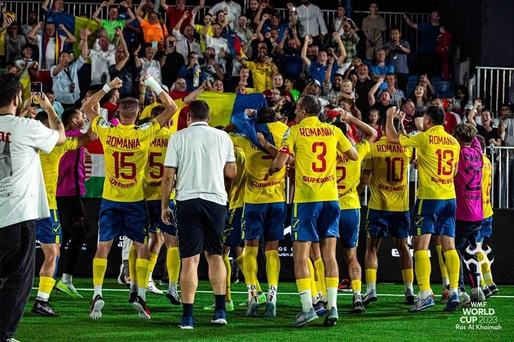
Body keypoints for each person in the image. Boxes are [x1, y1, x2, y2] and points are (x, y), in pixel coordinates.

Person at [82, 76, 177, 320]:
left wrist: (108, 87)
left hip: (110, 198)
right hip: (135, 199)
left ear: (120, 112)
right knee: (142, 246)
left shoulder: (107, 129)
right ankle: (142, 295)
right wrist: (154, 83)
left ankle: (97, 294)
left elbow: (87, 108)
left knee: (103, 247)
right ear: (137, 113)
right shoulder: (144, 132)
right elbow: (172, 108)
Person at [269, 95, 358, 326]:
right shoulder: (333, 131)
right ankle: (333, 307)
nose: (295, 112)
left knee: (301, 255)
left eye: (297, 109)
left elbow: (278, 163)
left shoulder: (295, 131)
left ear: (302, 110)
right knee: (329, 255)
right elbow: (354, 155)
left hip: (307, 200)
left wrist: (275, 167)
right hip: (331, 198)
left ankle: (308, 308)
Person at [0, 74, 65, 342]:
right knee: (17, 280)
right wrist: (48, 107)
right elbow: (60, 137)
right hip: (18, 214)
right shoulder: (26, 127)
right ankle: (3, 334)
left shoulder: (22, 125)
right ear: (17, 98)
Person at [160, 100, 237, 329]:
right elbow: (232, 171)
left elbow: (168, 176)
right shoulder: (223, 138)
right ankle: (220, 311)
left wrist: (165, 205)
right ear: (209, 117)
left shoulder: (178, 137)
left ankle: (187, 317)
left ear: (188, 117)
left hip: (187, 201)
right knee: (215, 255)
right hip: (215, 200)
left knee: (190, 259)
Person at [386, 105, 461, 312]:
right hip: (450, 198)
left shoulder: (425, 137)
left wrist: (390, 118)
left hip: (429, 199)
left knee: (420, 246)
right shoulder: (454, 142)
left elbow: (394, 139)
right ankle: (454, 290)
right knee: (450, 247)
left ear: (427, 121)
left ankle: (425, 293)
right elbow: (453, 171)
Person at [32, 109, 95, 316]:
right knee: (53, 252)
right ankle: (41, 300)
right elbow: (88, 137)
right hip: (46, 207)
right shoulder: (56, 145)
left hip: (20, 205)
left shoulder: (22, 144)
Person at [233, 108, 288, 318]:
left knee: (250, 248)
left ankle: (253, 294)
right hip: (277, 199)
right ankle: (272, 295)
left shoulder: (248, 135)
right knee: (272, 250)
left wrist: (246, 118)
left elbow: (233, 123)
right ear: (275, 118)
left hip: (254, 200)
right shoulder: (285, 131)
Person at [361, 114, 415, 306]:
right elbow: (406, 142)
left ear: (383, 128)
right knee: (403, 247)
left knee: (371, 248)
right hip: (401, 207)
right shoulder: (406, 149)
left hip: (378, 206)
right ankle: (409, 289)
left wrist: (357, 190)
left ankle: (371, 290)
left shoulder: (373, 150)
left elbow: (365, 179)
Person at [333, 111, 377, 313]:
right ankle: (357, 296)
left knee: (327, 254)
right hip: (351, 205)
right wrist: (352, 119)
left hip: (330, 205)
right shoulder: (356, 151)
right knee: (351, 254)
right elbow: (372, 133)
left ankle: (326, 297)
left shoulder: (325, 153)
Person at [55, 108, 93, 299]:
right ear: (71, 122)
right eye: (79, 116)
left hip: (61, 193)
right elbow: (93, 135)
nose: (82, 118)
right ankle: (66, 280)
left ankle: (55, 276)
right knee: (81, 233)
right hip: (71, 193)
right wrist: (92, 111)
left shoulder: (63, 138)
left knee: (66, 235)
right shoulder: (75, 135)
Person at [452, 123, 484, 304]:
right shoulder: (478, 153)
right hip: (477, 213)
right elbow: (476, 138)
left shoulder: (459, 154)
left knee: (454, 251)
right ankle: (477, 289)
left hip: (462, 213)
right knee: (471, 251)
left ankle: (460, 290)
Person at [475, 135, 498, 298]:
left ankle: (484, 285)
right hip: (487, 210)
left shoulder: (478, 163)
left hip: (478, 211)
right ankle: (489, 282)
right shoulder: (488, 161)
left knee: (474, 249)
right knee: (478, 248)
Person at [404, 11, 440, 76]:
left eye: (434, 15)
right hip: (423, 54)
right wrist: (405, 17)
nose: (431, 16)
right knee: (421, 74)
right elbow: (412, 24)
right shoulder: (425, 26)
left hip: (433, 55)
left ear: (438, 17)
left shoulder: (440, 28)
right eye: (431, 15)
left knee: (431, 75)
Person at [384, 27, 410, 91]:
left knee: (402, 90)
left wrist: (400, 46)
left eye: (396, 33)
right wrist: (390, 47)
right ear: (390, 35)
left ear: (400, 34)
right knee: (390, 89)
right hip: (391, 72)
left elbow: (408, 51)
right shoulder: (387, 44)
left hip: (403, 70)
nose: (394, 35)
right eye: (392, 34)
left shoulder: (404, 43)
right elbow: (383, 55)